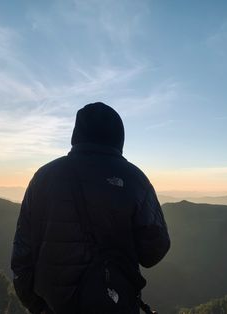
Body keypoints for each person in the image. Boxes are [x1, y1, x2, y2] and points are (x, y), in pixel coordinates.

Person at [11, 102, 170, 314]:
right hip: (115, 303)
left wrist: (36, 305)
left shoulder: (43, 177)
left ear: (76, 135)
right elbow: (154, 251)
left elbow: (22, 252)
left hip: (53, 306)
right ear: (119, 137)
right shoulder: (135, 179)